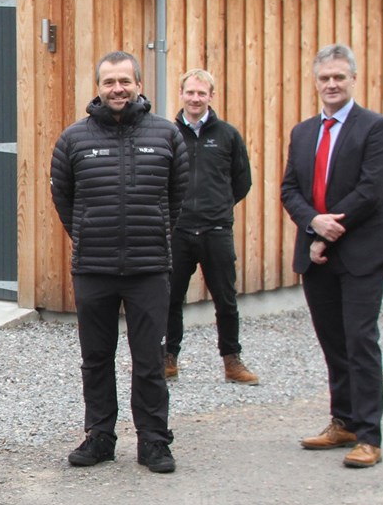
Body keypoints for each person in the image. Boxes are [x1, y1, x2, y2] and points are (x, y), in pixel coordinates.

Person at [50, 51, 189, 474]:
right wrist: (92, 233)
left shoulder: (167, 135)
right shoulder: (74, 139)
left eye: (125, 81)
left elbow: (177, 197)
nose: (117, 89)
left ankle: (153, 441)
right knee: (96, 357)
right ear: (98, 86)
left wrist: (151, 233)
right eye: (109, 82)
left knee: (149, 358)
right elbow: (64, 198)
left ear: (139, 84)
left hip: (149, 267)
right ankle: (100, 437)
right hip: (94, 266)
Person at [280, 44, 383, 470]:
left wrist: (328, 232)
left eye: (339, 77)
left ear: (353, 79)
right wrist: (313, 224)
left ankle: (370, 435)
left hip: (361, 251)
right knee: (333, 340)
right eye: (324, 78)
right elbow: (289, 191)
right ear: (315, 82)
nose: (331, 84)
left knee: (360, 341)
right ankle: (344, 421)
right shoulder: (302, 132)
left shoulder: (376, 127)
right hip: (316, 252)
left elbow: (371, 190)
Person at [164, 69, 258, 385]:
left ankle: (232, 361)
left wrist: (218, 206)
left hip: (216, 230)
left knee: (226, 299)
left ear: (211, 97)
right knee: (170, 298)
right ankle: (168, 358)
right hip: (178, 230)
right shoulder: (168, 134)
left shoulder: (227, 135)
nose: (195, 98)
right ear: (181, 94)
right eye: (190, 92)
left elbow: (242, 181)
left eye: (201, 93)